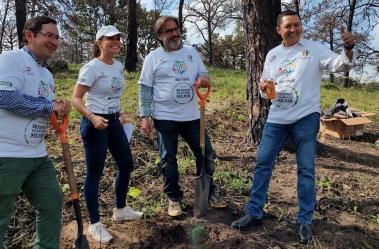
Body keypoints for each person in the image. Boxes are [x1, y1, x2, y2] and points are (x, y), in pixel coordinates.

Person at [231, 10, 355, 244]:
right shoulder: (273, 55)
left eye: (297, 25)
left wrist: (347, 48)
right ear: (279, 30)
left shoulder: (314, 49)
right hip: (277, 118)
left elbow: (341, 66)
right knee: (263, 163)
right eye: (288, 26)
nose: (294, 29)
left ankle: (305, 220)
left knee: (305, 170)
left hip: (305, 118)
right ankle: (254, 212)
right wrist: (262, 87)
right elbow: (265, 89)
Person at [0, 16, 71, 249]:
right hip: (6, 153)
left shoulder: (46, 74)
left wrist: (57, 108)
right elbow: (2, 97)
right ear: (29, 35)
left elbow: (39, 107)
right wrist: (48, 106)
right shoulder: (11, 59)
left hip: (37, 154)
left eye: (57, 37)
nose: (54, 41)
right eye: (48, 35)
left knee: (51, 203)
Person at [138, 16, 228, 217]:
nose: (174, 33)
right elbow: (145, 89)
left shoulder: (191, 53)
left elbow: (203, 74)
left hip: (192, 116)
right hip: (164, 117)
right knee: (168, 159)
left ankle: (208, 191)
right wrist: (145, 116)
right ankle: (174, 198)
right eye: (168, 31)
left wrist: (203, 79)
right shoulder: (153, 57)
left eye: (176, 29)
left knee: (206, 153)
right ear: (160, 36)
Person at [72, 25, 143, 244]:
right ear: (99, 42)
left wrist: (119, 112)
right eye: (110, 39)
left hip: (113, 122)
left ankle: (120, 209)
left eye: (118, 39)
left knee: (126, 164)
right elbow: (75, 99)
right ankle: (94, 224)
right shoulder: (91, 67)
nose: (116, 42)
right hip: (95, 124)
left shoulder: (119, 66)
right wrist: (92, 117)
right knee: (94, 173)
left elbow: (113, 93)